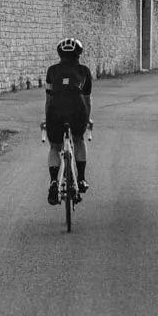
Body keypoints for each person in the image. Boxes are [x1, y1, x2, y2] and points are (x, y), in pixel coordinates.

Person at [44, 37, 92, 204]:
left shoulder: (52, 71)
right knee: (78, 139)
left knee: (55, 147)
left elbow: (48, 98)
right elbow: (87, 99)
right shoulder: (85, 71)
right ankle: (81, 179)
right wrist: (87, 119)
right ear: (78, 54)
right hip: (77, 109)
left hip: (55, 110)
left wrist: (47, 118)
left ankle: (53, 182)